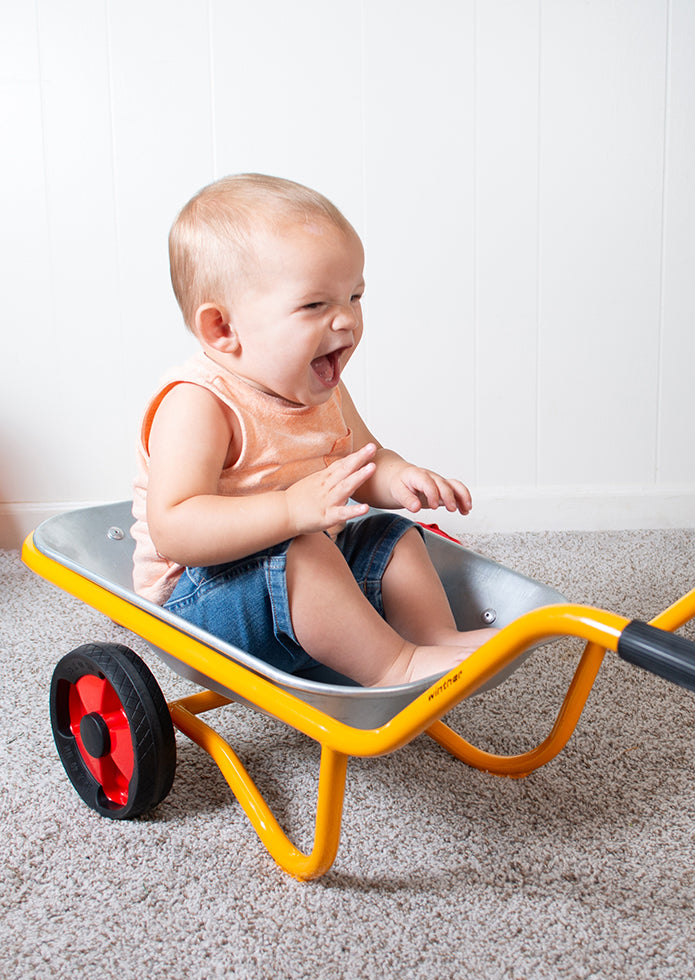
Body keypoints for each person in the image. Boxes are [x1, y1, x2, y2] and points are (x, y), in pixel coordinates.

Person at [131, 173, 493, 687]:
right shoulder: (199, 403)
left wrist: (399, 477)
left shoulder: (319, 385)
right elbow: (175, 527)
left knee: (390, 536)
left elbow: (363, 464)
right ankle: (395, 666)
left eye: (355, 297)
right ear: (222, 329)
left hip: (304, 562)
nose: (346, 320)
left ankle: (433, 640)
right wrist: (289, 510)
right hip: (201, 602)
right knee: (302, 550)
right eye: (315, 305)